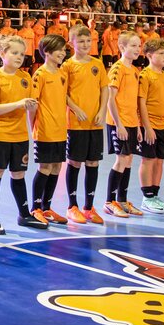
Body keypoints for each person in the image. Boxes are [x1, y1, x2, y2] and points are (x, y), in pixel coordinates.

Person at [0, 35, 44, 232]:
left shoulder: (25, 77)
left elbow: (31, 105)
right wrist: (19, 104)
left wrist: (32, 113)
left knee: (18, 174)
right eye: (15, 53)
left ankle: (24, 214)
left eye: (22, 53)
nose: (20, 57)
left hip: (20, 135)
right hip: (0, 133)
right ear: (2, 53)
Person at [61, 25, 107, 225]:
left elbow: (104, 89)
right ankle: (72, 206)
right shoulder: (67, 66)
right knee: (74, 162)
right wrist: (75, 109)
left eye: (88, 40)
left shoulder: (98, 64)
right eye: (81, 41)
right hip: (76, 124)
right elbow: (63, 92)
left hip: (95, 123)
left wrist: (102, 111)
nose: (86, 44)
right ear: (71, 43)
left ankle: (89, 207)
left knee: (93, 163)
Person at [27, 35, 69, 224]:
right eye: (59, 49)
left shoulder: (62, 74)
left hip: (60, 128)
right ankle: (35, 208)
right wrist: (33, 127)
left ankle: (47, 207)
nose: (63, 53)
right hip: (45, 128)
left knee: (56, 167)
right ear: (47, 52)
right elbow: (33, 104)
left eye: (64, 49)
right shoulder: (40, 74)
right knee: (45, 167)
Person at [104, 31, 142, 218]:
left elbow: (133, 101)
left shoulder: (135, 71)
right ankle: (109, 202)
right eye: (133, 45)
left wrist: (138, 126)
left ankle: (122, 200)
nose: (138, 49)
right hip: (118, 122)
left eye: (139, 45)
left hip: (132, 122)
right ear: (122, 47)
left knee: (129, 160)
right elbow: (110, 98)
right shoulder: (117, 69)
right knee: (121, 160)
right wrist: (118, 124)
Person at [135, 39, 164, 214]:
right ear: (149, 55)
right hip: (149, 126)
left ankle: (155, 195)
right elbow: (141, 103)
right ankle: (147, 197)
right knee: (148, 160)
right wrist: (147, 127)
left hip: (163, 126)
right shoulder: (145, 75)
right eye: (161, 53)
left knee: (159, 161)